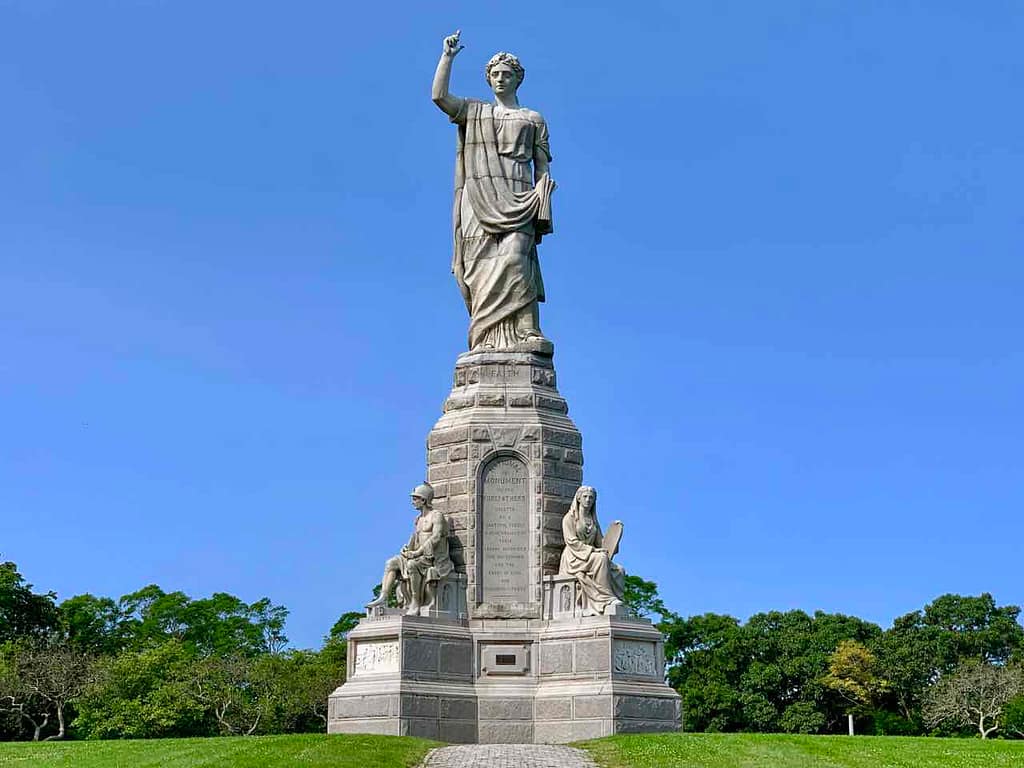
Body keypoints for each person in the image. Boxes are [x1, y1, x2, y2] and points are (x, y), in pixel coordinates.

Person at [431, 30, 555, 353]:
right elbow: (440, 97)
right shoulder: (475, 112)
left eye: (507, 74)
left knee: (518, 259)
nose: (500, 79)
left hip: (522, 195)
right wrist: (447, 57)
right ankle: (487, 337)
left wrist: (544, 194)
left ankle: (527, 330)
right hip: (479, 200)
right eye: (495, 74)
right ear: (488, 80)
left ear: (518, 79)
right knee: (481, 266)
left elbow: (541, 166)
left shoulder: (533, 119)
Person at [366, 482, 453, 615]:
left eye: (415, 499)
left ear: (423, 500)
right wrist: (406, 549)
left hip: (433, 558)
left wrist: (418, 552)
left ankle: (416, 602)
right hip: (419, 555)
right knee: (391, 562)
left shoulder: (436, 516)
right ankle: (383, 597)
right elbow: (416, 538)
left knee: (412, 565)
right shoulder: (418, 518)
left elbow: (436, 537)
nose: (412, 502)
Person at [559, 486, 626, 615]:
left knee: (619, 570)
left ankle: (618, 601)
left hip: (589, 556)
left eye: (591, 497)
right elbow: (571, 541)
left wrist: (615, 533)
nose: (588, 500)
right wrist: (593, 551)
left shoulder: (592, 520)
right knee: (600, 559)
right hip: (574, 557)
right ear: (579, 498)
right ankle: (605, 599)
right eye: (585, 497)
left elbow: (600, 542)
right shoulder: (569, 518)